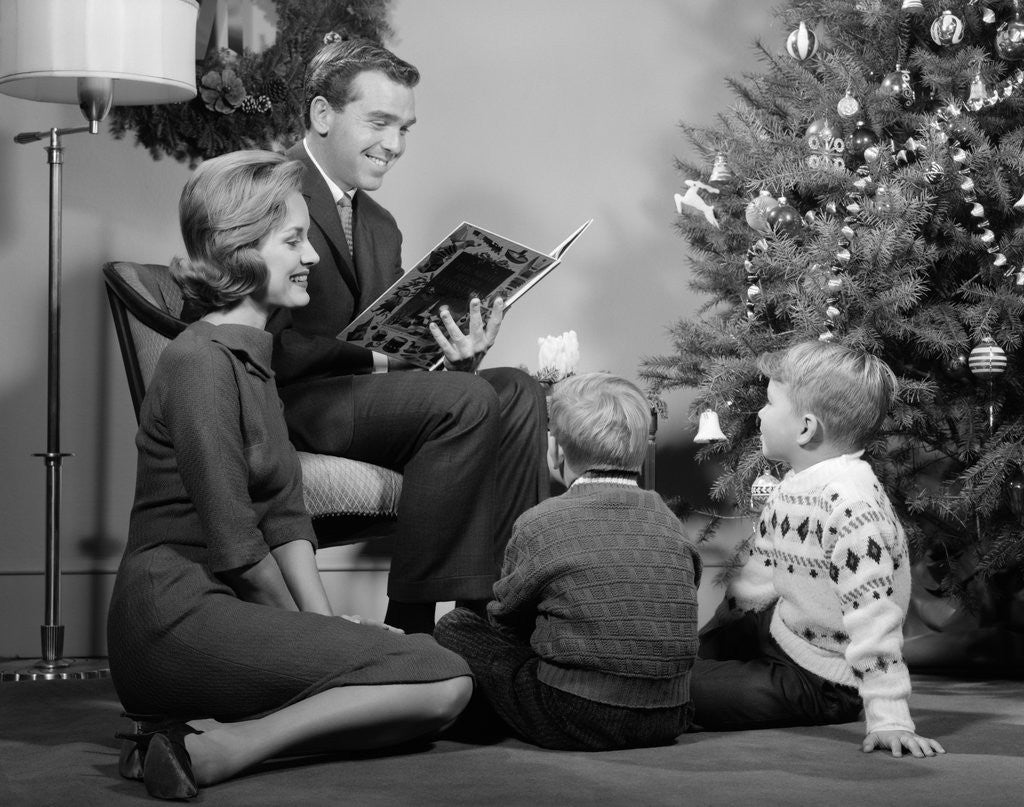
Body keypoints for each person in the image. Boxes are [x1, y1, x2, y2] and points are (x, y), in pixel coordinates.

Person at [106, 151, 473, 801]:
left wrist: (325, 625)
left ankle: (197, 735)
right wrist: (333, 643)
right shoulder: (200, 362)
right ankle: (228, 747)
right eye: (294, 240)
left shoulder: (255, 358)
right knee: (439, 679)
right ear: (239, 251)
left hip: (235, 605)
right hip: (172, 614)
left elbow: (283, 513)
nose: (311, 257)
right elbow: (237, 542)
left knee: (434, 695)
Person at [265, 36, 549, 635]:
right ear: (322, 114)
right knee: (465, 400)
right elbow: (260, 342)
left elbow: (398, 350)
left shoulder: (380, 223)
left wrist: (456, 357)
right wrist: (372, 356)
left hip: (375, 403)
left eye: (405, 128)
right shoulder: (266, 192)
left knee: (518, 391)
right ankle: (415, 627)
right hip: (295, 403)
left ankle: (501, 614)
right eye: (380, 122)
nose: (394, 145)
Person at [690, 341, 945, 759]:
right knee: (684, 657)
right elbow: (760, 573)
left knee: (680, 689)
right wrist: (717, 635)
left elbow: (875, 619)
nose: (759, 414)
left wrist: (889, 718)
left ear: (806, 428)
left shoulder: (852, 507)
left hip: (824, 678)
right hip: (784, 630)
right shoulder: (795, 483)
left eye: (770, 404)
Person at [433, 373, 702, 750]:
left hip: (575, 715)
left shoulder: (540, 521)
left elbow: (505, 623)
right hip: (670, 716)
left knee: (455, 626)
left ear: (557, 451)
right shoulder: (669, 522)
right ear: (641, 453)